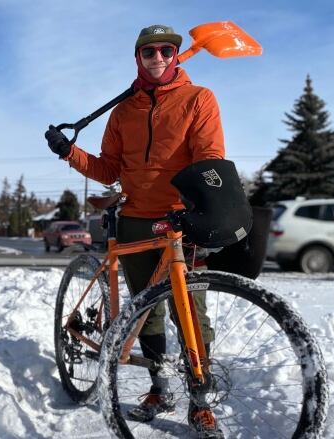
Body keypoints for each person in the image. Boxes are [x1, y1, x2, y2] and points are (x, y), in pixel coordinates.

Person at [45, 24, 223, 436]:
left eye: (165, 50)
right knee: (147, 312)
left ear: (176, 55)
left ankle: (200, 399)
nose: (157, 58)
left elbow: (210, 157)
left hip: (181, 220)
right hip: (136, 220)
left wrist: (201, 206)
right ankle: (159, 388)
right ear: (138, 59)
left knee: (191, 311)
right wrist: (70, 152)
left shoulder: (199, 100)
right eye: (148, 52)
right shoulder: (123, 111)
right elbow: (109, 168)